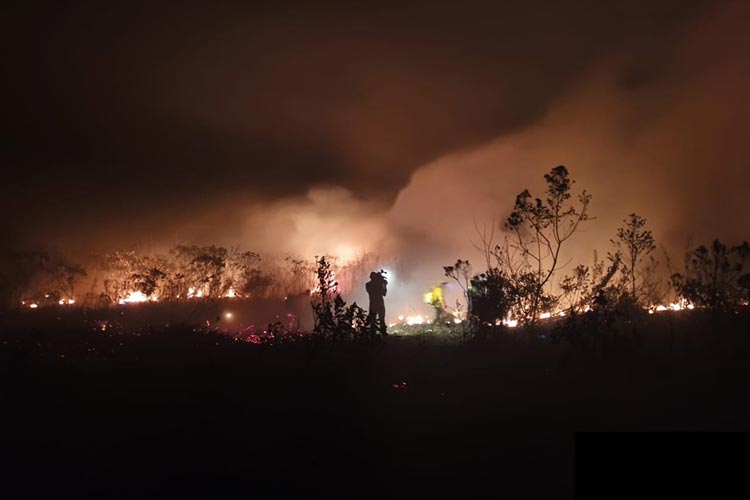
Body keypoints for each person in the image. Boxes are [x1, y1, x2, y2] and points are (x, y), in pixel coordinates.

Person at [366, 271, 388, 338]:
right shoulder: (370, 284)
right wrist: (383, 284)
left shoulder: (368, 284)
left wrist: (383, 284)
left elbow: (384, 293)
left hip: (373, 304)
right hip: (378, 303)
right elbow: (384, 293)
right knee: (378, 320)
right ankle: (379, 334)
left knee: (376, 320)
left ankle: (374, 335)